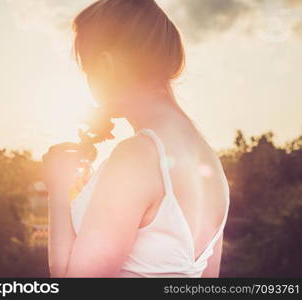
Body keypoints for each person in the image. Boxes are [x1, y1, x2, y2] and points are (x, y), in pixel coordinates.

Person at [42, 0, 230, 278]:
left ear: (106, 64)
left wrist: (57, 191)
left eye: (87, 70)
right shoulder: (210, 163)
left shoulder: (137, 156)